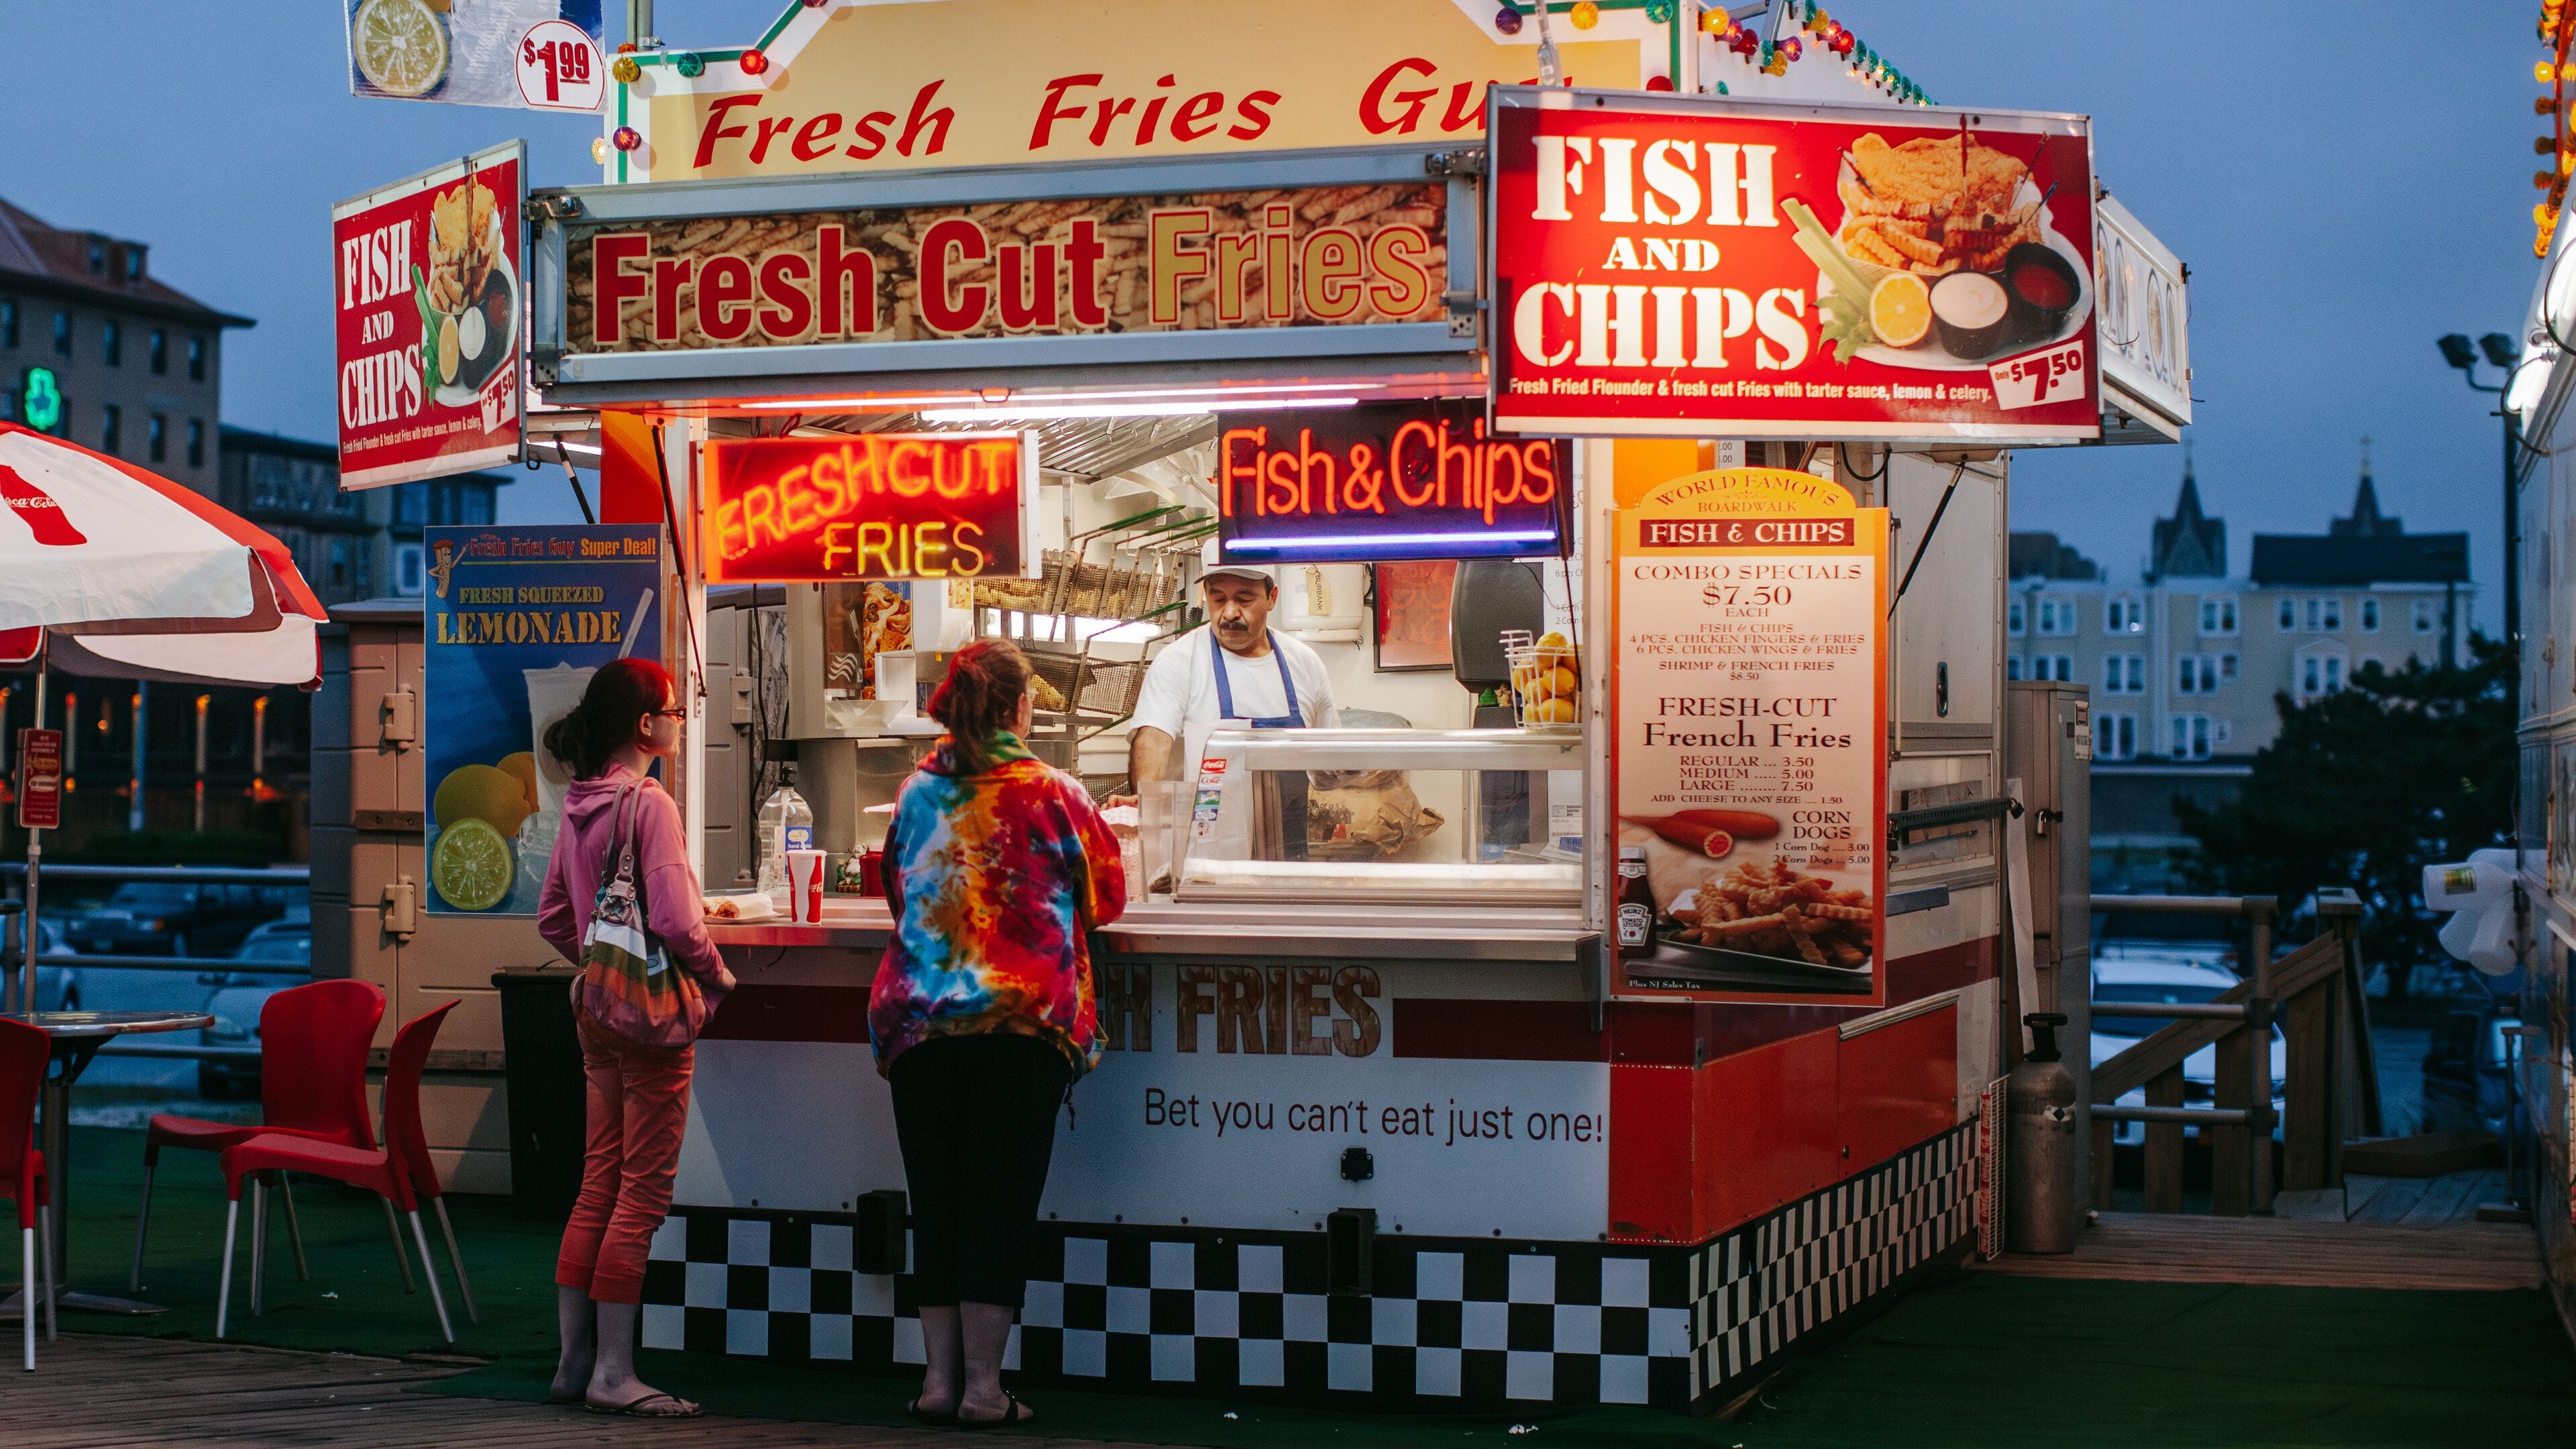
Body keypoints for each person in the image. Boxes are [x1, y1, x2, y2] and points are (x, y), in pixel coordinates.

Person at [871, 639, 1125, 1427]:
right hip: (1021, 1026)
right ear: (1020, 708)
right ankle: (984, 1391)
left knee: (937, 1203)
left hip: (920, 1026)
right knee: (998, 1205)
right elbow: (1107, 897)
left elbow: (895, 890)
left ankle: (937, 1383)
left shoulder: (916, 792)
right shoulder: (1054, 792)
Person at [535, 658, 736, 1419]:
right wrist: (715, 977)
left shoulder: (581, 801)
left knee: (598, 1183)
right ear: (645, 726)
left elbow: (555, 917)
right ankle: (615, 1374)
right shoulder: (648, 803)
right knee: (641, 1195)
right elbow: (679, 921)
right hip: (653, 1019)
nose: (681, 721)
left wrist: (599, 968)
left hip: (596, 1014)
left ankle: (573, 1364)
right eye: (674, 711)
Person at [1124, 562, 1338, 854]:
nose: (1229, 613)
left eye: (1244, 599)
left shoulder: (1305, 662)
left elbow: (1328, 759)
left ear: (1272, 598)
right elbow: (1153, 738)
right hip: (1204, 852)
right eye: (1218, 598)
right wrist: (1146, 801)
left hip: (1287, 849)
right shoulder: (1179, 660)